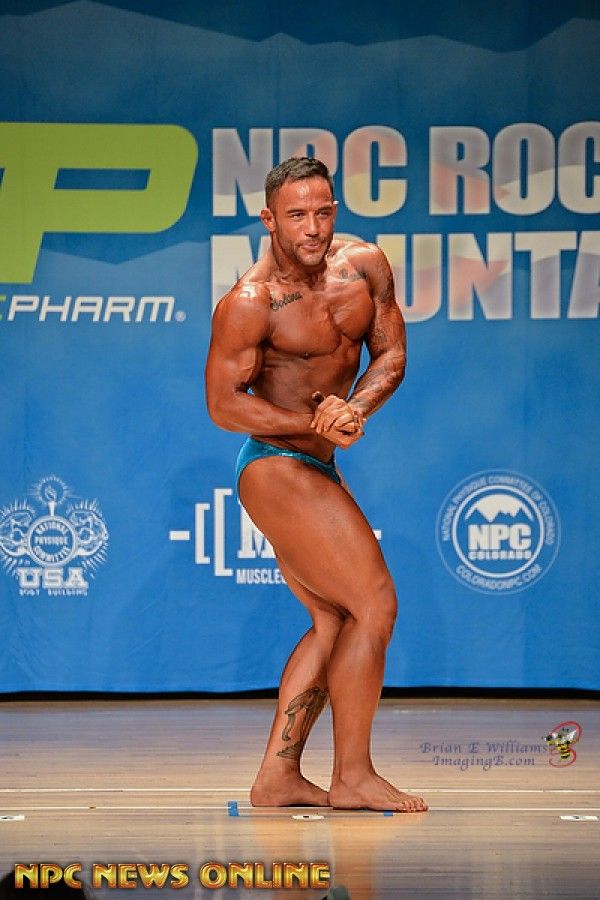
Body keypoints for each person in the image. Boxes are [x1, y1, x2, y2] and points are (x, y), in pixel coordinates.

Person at [205, 157, 427, 813]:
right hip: (274, 464)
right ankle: (353, 776)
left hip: (320, 462)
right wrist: (313, 422)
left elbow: (391, 355)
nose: (313, 227)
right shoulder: (250, 302)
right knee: (374, 604)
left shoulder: (364, 267)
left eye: (323, 211)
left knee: (335, 620)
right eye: (297, 214)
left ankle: (278, 777)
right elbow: (223, 404)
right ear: (269, 219)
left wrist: (355, 408)